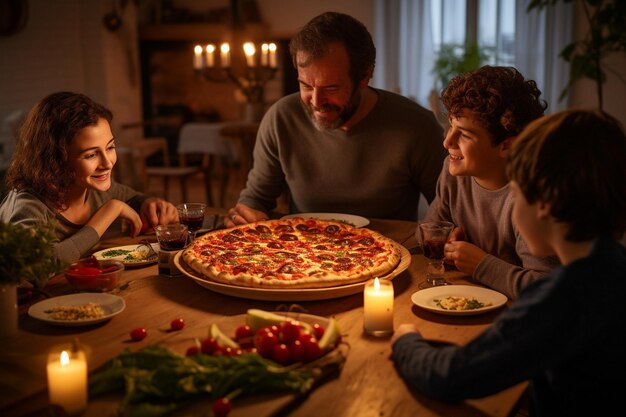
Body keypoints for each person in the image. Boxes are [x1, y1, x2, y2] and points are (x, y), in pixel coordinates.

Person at [392, 109, 626, 416]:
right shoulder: (612, 264)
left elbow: (449, 376)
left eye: (515, 195)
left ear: (544, 204)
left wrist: (406, 340)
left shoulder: (566, 297)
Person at [225, 11, 445, 227]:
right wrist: (246, 213)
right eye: (306, 85)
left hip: (392, 252)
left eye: (331, 87)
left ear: (365, 76)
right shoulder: (281, 118)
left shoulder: (417, 125)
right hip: (303, 253)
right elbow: (256, 198)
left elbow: (447, 208)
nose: (316, 101)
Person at [421, 66, 557, 299]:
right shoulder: (454, 173)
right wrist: (446, 238)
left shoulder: (531, 195)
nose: (447, 141)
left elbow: (547, 287)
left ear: (506, 145)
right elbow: (426, 228)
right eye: (450, 126)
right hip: (467, 299)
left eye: (464, 134)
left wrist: (481, 265)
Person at [0, 91, 179, 262]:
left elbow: (132, 198)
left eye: (110, 147)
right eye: (91, 155)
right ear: (55, 159)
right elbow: (35, 268)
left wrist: (149, 203)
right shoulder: (28, 205)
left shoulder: (91, 188)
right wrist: (109, 212)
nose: (107, 163)